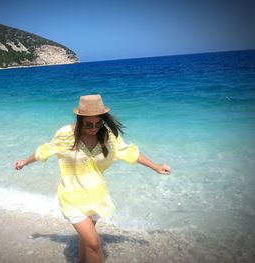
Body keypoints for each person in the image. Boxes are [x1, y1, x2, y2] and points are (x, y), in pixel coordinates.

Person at [15, 94, 171, 263]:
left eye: (99, 123)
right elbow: (44, 150)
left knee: (86, 241)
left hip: (97, 197)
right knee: (94, 243)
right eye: (89, 124)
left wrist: (155, 166)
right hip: (72, 198)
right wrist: (24, 161)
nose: (94, 128)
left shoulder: (108, 137)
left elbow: (129, 152)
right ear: (80, 119)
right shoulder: (65, 134)